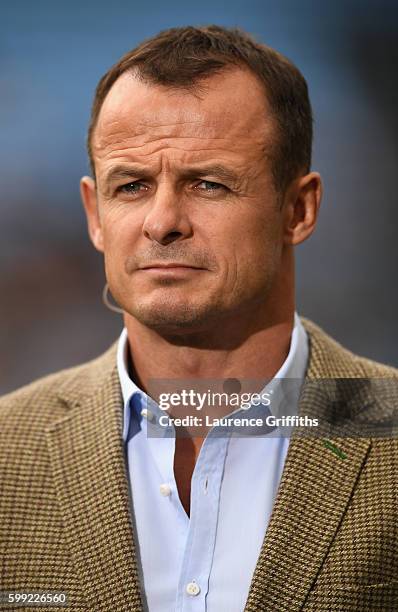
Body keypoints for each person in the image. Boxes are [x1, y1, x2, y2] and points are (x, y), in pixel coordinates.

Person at [0, 25, 397, 612]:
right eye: (131, 186)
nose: (162, 222)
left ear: (299, 208)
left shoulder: (387, 427)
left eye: (208, 184)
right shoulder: (7, 449)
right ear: (94, 215)